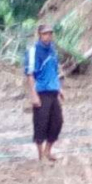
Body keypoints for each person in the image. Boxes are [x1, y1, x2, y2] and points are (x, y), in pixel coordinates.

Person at [24, 24, 65, 161]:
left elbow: (54, 71)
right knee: (41, 123)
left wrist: (59, 89)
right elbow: (30, 74)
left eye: (50, 33)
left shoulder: (52, 50)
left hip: (53, 92)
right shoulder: (33, 51)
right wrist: (33, 94)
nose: (48, 36)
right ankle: (40, 155)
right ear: (39, 35)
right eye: (45, 34)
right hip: (41, 92)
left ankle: (48, 151)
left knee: (57, 122)